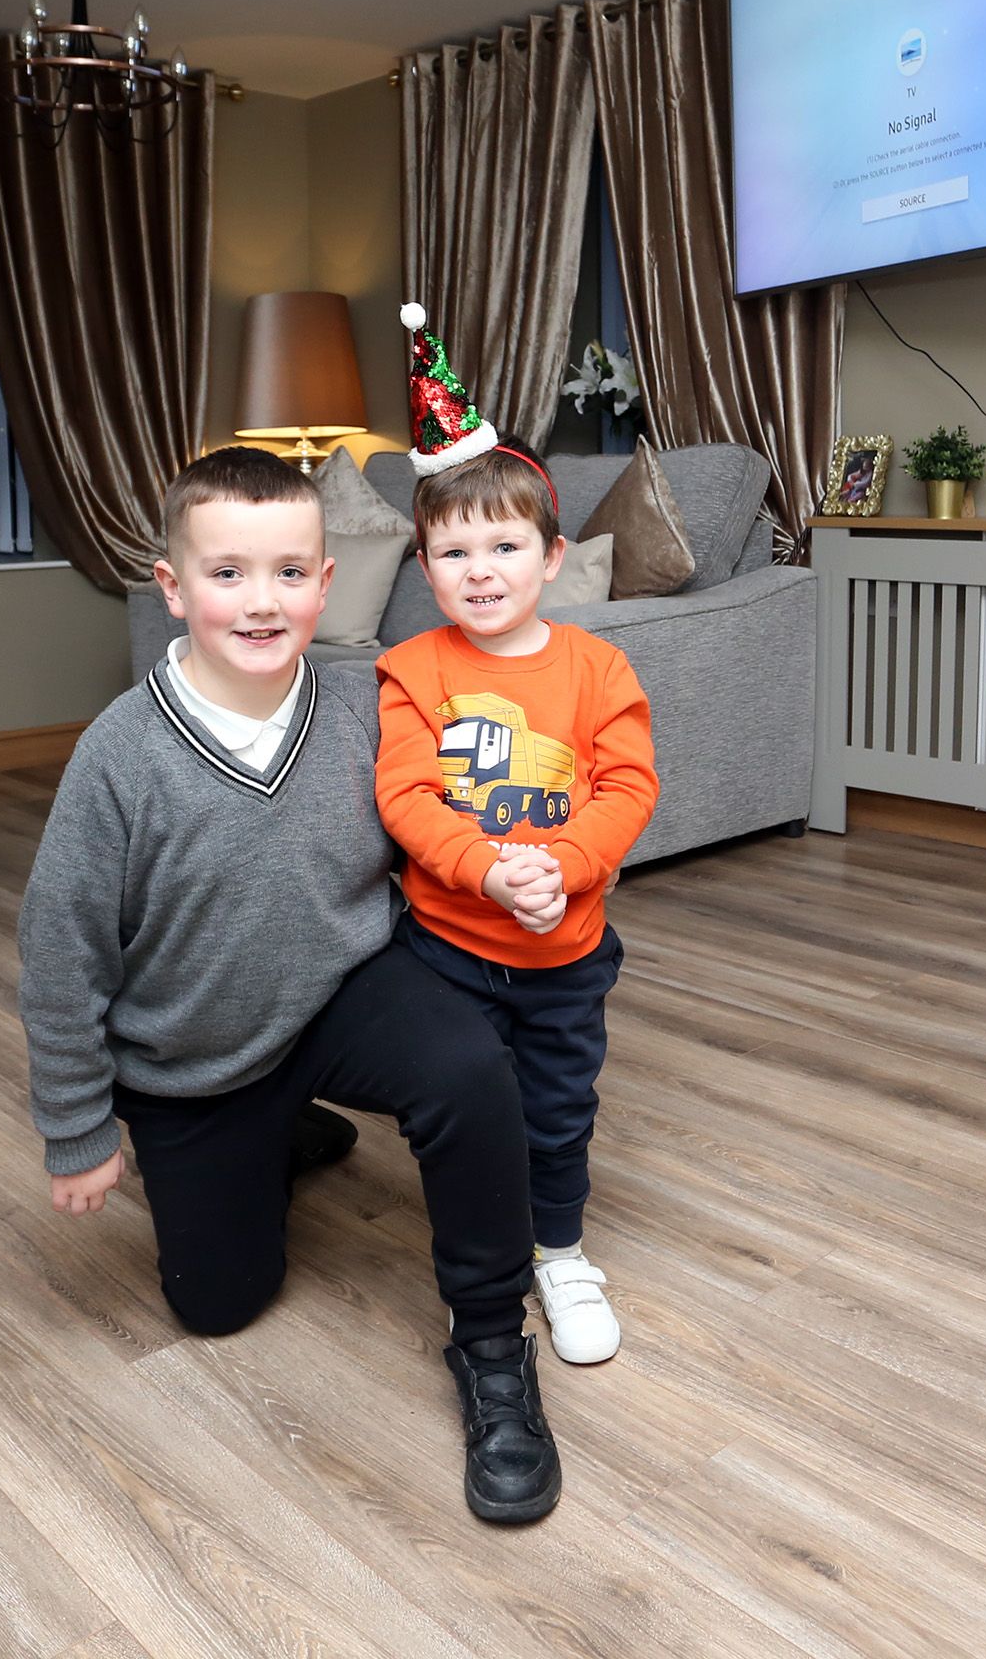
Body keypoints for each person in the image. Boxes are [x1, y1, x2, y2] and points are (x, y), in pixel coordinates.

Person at [17, 445, 561, 1525]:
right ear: (172, 589)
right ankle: (270, 1131)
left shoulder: (372, 704)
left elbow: (498, 717)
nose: (260, 603)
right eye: (227, 574)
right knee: (219, 1307)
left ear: (326, 580)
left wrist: (536, 860)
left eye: (288, 573)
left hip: (341, 989)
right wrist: (76, 1127)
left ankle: (495, 1345)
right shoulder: (119, 755)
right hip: (195, 1056)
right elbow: (59, 951)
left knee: (467, 1064)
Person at [371, 306, 661, 1368]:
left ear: (553, 556)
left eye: (504, 545)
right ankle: (482, 1258)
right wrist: (491, 869)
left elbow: (627, 788)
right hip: (447, 947)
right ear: (426, 565)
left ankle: (562, 1249)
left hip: (565, 948)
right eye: (454, 550)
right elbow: (408, 799)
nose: (480, 569)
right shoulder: (412, 670)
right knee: (470, 1108)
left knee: (556, 1105)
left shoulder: (599, 670)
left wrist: (563, 870)